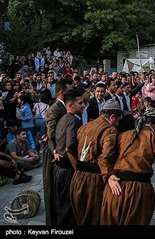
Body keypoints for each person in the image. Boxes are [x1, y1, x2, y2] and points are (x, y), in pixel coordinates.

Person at [101, 108, 155, 225]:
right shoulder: (154, 137)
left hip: (115, 187)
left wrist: (109, 175)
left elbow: (106, 157)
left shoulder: (123, 135)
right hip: (137, 191)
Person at [67, 99, 122, 225]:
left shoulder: (84, 127)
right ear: (112, 117)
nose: (118, 123)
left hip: (77, 178)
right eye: (118, 120)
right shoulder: (110, 130)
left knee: (81, 217)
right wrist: (108, 175)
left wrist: (77, 166)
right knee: (95, 217)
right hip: (94, 181)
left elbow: (69, 148)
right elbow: (105, 157)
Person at [43, 78, 73, 225]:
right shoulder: (54, 110)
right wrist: (55, 151)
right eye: (69, 90)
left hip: (64, 151)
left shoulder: (66, 107)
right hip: (55, 154)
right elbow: (51, 135)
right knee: (55, 193)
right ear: (61, 93)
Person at [53, 88, 84, 225]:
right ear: (71, 106)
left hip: (59, 169)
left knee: (62, 204)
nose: (84, 105)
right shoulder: (73, 120)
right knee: (67, 208)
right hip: (67, 170)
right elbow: (70, 145)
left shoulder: (63, 119)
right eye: (80, 103)